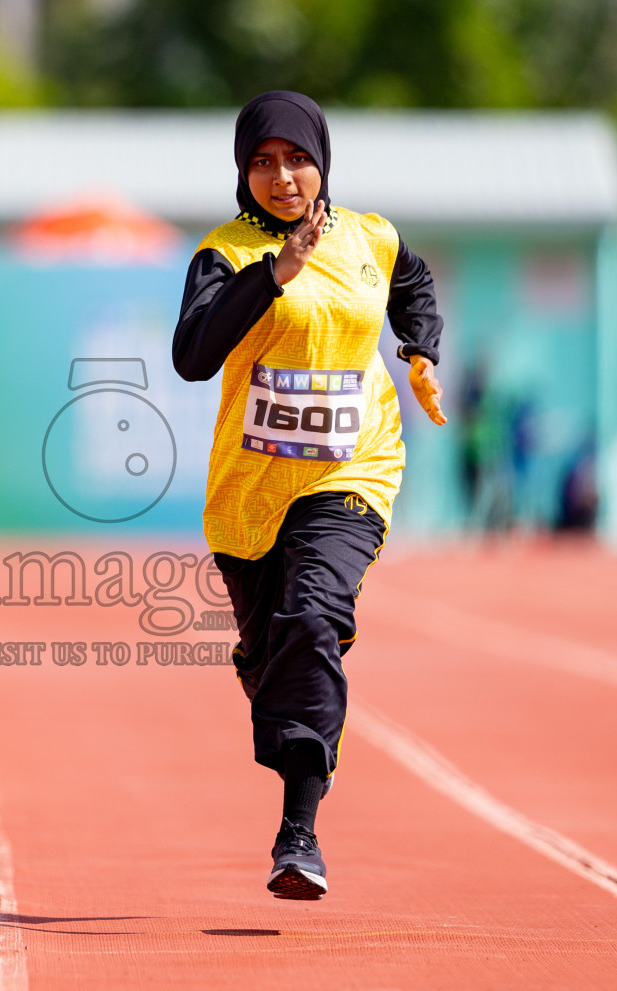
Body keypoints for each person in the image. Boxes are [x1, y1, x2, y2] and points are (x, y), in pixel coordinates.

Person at [173, 91, 447, 900]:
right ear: (242, 171)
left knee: (311, 614)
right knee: (275, 652)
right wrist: (273, 274)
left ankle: (299, 833)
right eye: (263, 161)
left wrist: (420, 348)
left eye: (296, 158)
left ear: (322, 160)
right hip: (251, 492)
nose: (282, 176)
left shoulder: (372, 235)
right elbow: (193, 354)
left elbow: (413, 282)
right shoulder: (223, 254)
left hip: (353, 469)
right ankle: (271, 668)